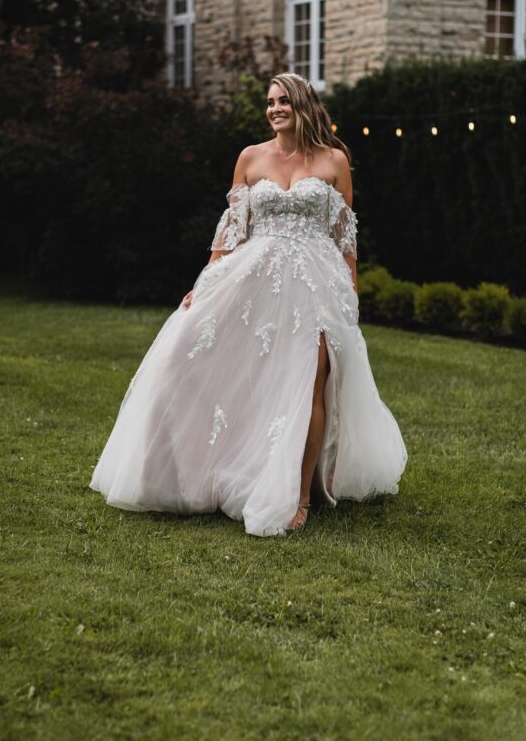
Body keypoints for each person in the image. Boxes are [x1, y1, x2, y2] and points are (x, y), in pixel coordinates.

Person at [89, 72, 407, 537]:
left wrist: (349, 292)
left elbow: (346, 237)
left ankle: (299, 494)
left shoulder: (335, 159)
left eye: (284, 101)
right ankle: (196, 468)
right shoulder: (250, 157)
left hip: (317, 283)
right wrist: (206, 281)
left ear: (304, 106)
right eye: (271, 102)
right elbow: (232, 229)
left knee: (310, 380)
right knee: (192, 354)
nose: (275, 108)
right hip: (254, 276)